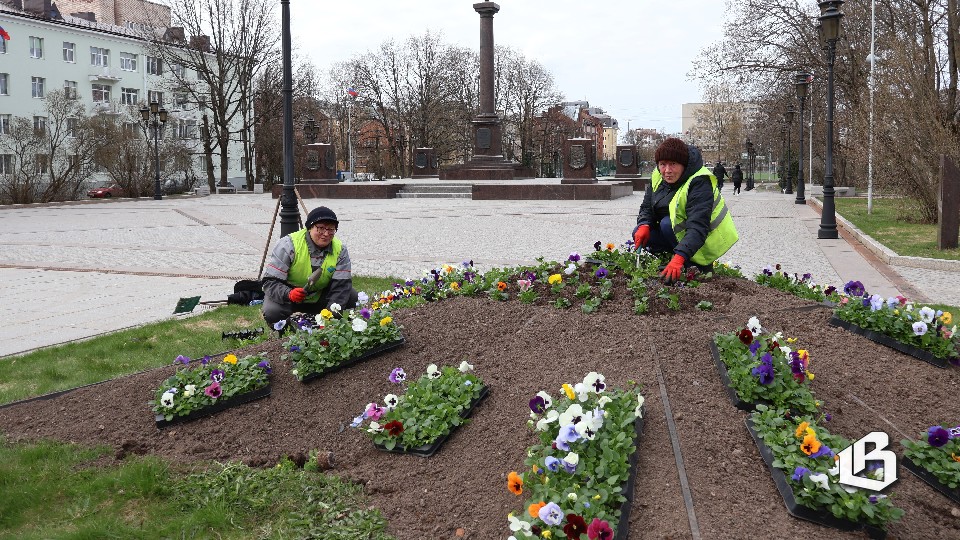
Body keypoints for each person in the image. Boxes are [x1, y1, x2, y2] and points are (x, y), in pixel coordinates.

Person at [631, 137, 739, 283]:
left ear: (684, 165)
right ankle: (670, 261)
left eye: (673, 164)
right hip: (678, 234)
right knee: (640, 231)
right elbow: (646, 206)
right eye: (663, 164)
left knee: (667, 224)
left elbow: (698, 227)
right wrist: (644, 223)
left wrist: (679, 257)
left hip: (705, 241)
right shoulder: (658, 175)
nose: (667, 170)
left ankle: (696, 266)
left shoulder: (700, 181)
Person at [261, 206, 358, 325]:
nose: (326, 234)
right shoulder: (288, 245)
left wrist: (329, 318)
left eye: (331, 229)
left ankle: (318, 321)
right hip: (290, 297)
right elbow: (270, 282)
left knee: (352, 296)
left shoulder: (340, 249)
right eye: (321, 228)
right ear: (309, 228)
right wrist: (288, 293)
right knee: (272, 311)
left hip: (319, 294)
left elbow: (342, 287)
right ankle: (287, 329)